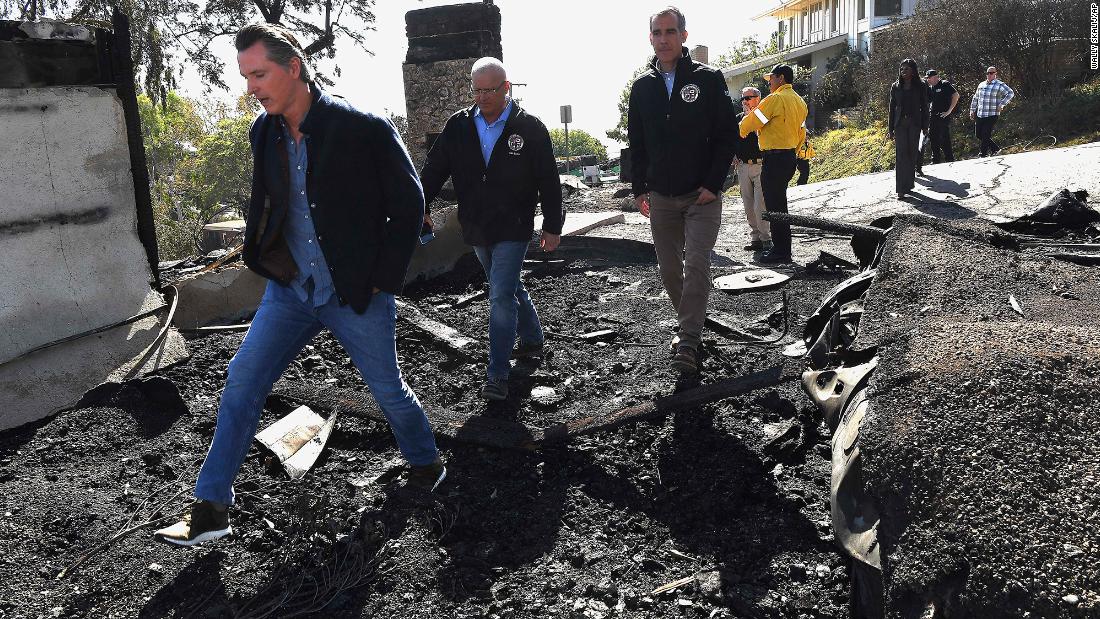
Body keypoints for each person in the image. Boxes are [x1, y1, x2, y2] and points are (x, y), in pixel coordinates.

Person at [154, 24, 444, 547]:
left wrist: (382, 279)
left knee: (387, 391)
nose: (250, 88)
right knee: (242, 381)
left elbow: (410, 205)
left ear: (293, 68)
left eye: (259, 74)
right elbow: (273, 201)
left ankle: (426, 462)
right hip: (289, 292)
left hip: (355, 293)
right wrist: (263, 255)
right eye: (245, 77)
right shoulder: (262, 132)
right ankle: (211, 508)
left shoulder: (364, 127)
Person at [419, 58, 563, 401]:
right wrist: (420, 205)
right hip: (476, 224)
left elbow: (549, 180)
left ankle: (497, 373)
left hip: (513, 224)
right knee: (507, 285)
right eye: (477, 90)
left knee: (499, 295)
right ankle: (533, 339)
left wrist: (552, 224)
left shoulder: (529, 128)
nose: (483, 97)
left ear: (506, 88)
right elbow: (434, 169)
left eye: (490, 90)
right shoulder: (459, 125)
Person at [628, 6, 736, 374]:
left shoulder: (708, 79)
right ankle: (693, 322)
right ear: (651, 38)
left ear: (683, 36)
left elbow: (727, 135)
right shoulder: (642, 87)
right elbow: (636, 141)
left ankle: (687, 341)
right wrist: (639, 188)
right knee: (669, 268)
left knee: (697, 262)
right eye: (657, 33)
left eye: (670, 32)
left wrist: (713, 183)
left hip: (700, 194)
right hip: (660, 195)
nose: (663, 39)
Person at [738, 63, 808, 264]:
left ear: (782, 78)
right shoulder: (800, 101)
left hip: (774, 158)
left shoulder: (775, 99)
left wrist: (741, 130)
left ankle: (781, 251)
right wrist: (792, 153)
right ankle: (782, 248)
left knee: (775, 207)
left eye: (772, 78)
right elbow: (801, 133)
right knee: (780, 205)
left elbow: (752, 122)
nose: (769, 83)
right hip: (788, 157)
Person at [732, 87, 769, 253]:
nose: (745, 101)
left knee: (759, 204)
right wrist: (732, 155)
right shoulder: (738, 118)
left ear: (758, 98)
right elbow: (732, 138)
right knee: (748, 205)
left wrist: (749, 117)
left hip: (760, 165)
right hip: (743, 166)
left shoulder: (762, 115)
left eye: (748, 98)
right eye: (743, 98)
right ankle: (755, 238)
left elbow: (758, 132)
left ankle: (766, 238)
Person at [888, 58, 929, 198]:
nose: (903, 71)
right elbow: (892, 108)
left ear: (913, 71)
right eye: (901, 68)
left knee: (912, 154)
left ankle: (909, 184)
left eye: (906, 69)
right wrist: (890, 129)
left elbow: (925, 107)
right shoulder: (895, 86)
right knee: (901, 155)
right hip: (900, 124)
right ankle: (900, 189)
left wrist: (925, 126)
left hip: (914, 124)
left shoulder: (921, 86)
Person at [970, 66, 1014, 157]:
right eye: (988, 73)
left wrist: (1002, 104)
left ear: (995, 74)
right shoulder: (981, 84)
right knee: (978, 134)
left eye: (991, 73)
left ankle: (983, 153)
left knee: (985, 134)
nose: (989, 75)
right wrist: (972, 110)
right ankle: (995, 149)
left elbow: (1010, 93)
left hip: (992, 114)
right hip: (980, 113)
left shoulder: (999, 84)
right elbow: (975, 98)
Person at [925, 69, 960, 164]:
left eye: (929, 78)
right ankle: (935, 160)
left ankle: (949, 158)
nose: (928, 80)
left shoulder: (944, 84)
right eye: (927, 78)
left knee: (944, 137)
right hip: (933, 116)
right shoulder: (930, 87)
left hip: (943, 115)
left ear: (936, 77)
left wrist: (949, 111)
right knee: (933, 137)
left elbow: (956, 95)